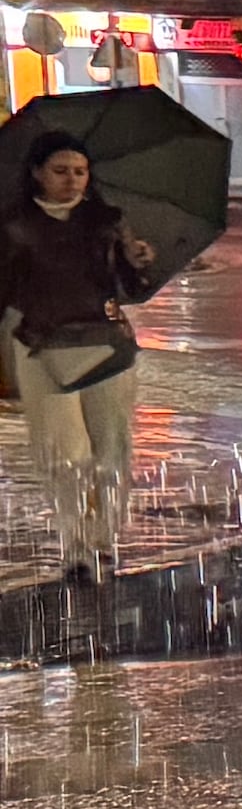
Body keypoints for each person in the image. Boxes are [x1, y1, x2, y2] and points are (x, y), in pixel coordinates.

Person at [0, 135, 146, 589]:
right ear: (37, 173)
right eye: (61, 171)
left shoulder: (106, 222)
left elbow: (131, 288)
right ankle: (78, 546)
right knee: (66, 454)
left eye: (80, 171)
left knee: (111, 449)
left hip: (105, 342)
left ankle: (103, 541)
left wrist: (137, 261)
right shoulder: (13, 227)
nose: (72, 180)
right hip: (40, 345)